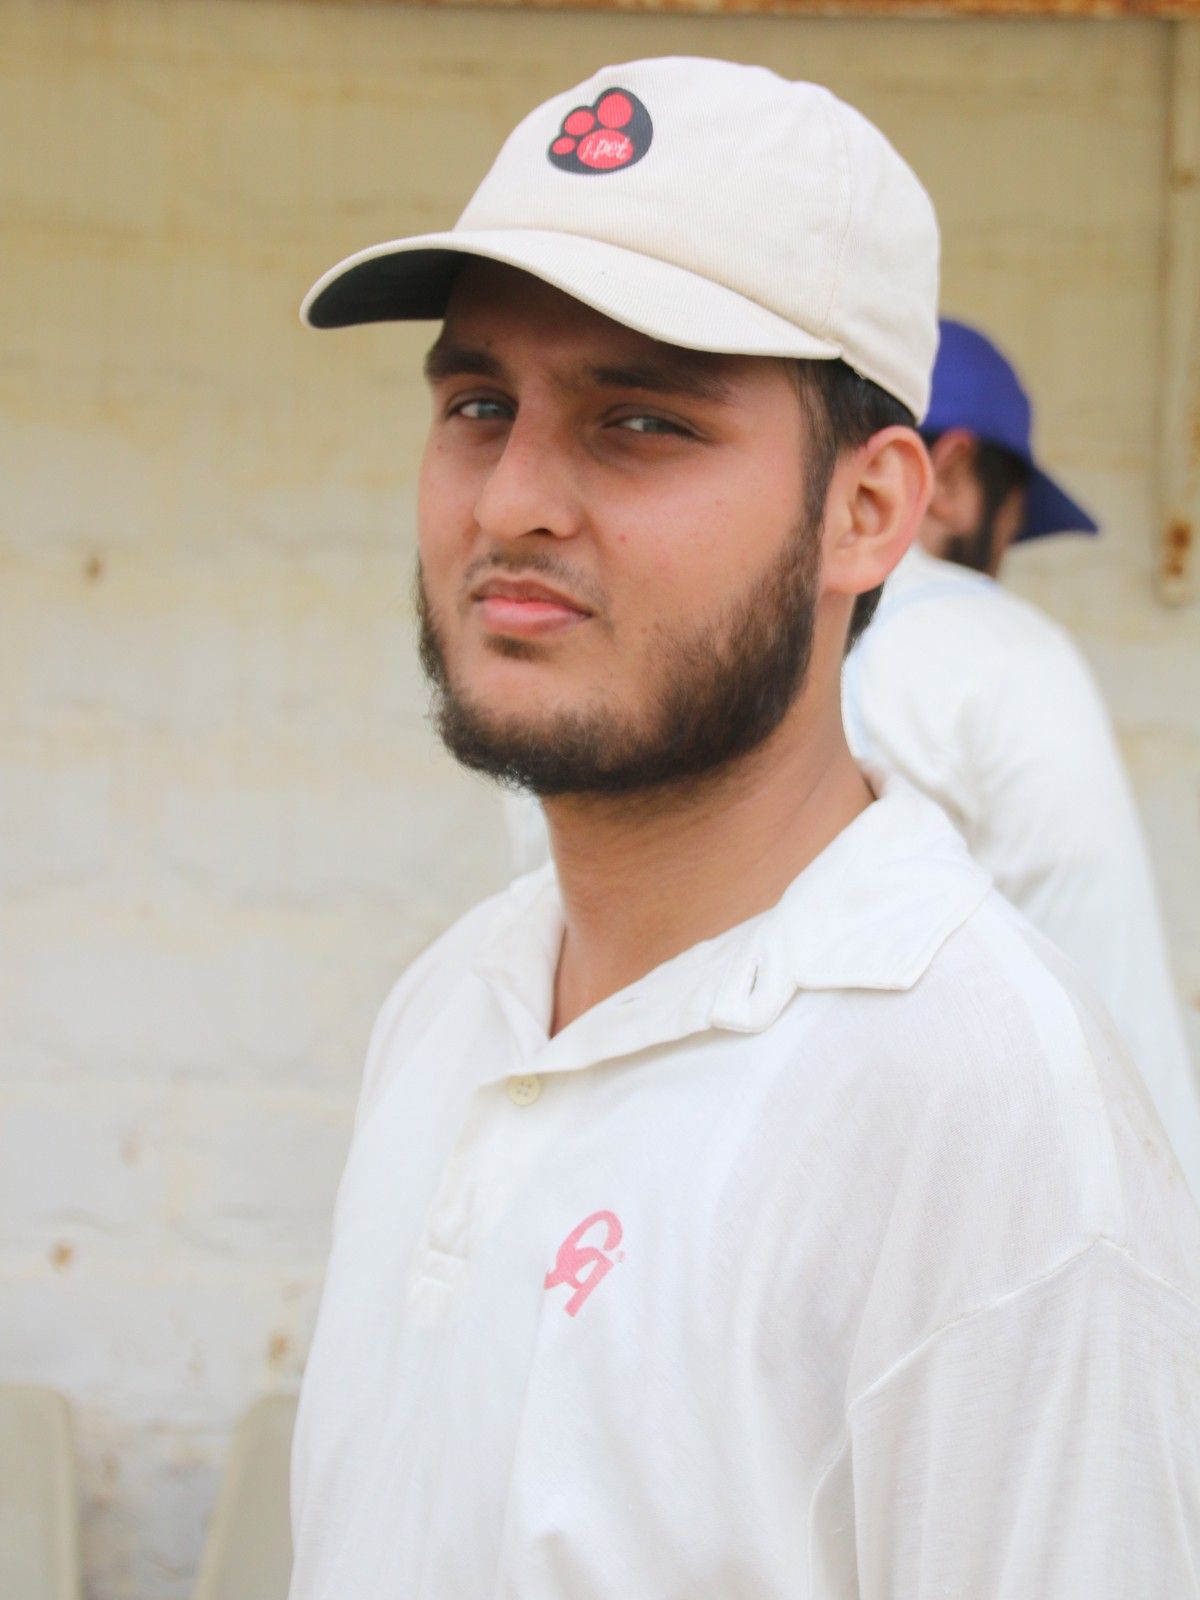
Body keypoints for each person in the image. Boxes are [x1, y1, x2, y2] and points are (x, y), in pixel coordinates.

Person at [290, 58, 1200, 1599]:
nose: (510, 501)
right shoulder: (452, 1007)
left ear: (869, 512)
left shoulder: (986, 1125)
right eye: (479, 405)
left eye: (641, 420)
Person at [843, 318, 1200, 1198]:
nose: (1000, 557)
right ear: (951, 477)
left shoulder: (745, 653)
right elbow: (1111, 1002)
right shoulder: (1001, 644)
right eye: (1010, 523)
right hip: (1051, 1207)